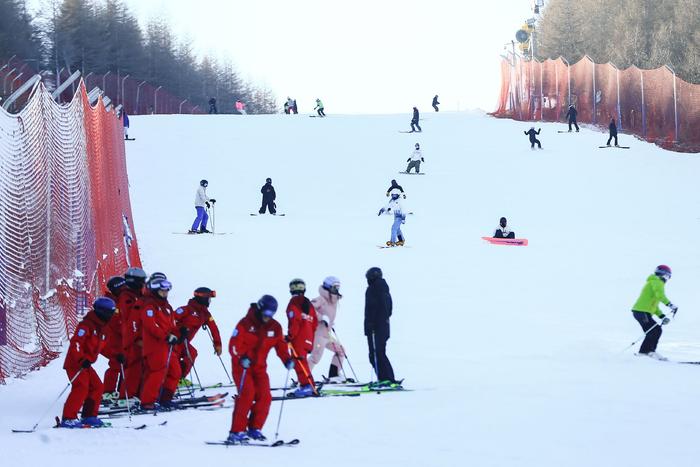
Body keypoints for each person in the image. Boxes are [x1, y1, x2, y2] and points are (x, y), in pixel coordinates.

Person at [227, 295, 294, 443]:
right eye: (266, 313)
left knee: (265, 397)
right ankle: (236, 431)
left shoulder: (275, 327)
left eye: (271, 314)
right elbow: (233, 344)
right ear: (259, 308)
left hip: (259, 368)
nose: (267, 317)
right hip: (242, 366)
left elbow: (281, 346)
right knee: (247, 395)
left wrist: (287, 359)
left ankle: (254, 429)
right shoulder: (245, 323)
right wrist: (241, 357)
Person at [60, 297, 116, 428]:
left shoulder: (102, 328)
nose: (112, 316)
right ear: (102, 312)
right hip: (76, 363)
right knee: (81, 387)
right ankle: (69, 418)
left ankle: (89, 416)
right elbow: (76, 344)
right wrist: (81, 359)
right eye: (110, 313)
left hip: (86, 364)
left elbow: (102, 347)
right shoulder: (86, 326)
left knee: (97, 386)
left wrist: (116, 355)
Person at [139, 278, 181, 410]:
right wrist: (166, 336)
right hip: (155, 346)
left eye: (166, 291)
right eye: (162, 291)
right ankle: (147, 402)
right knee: (157, 372)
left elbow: (172, 325)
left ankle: (165, 399)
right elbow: (151, 325)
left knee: (175, 372)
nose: (165, 293)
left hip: (168, 346)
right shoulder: (149, 306)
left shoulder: (167, 307)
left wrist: (178, 335)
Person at [174, 287, 223, 384]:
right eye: (208, 298)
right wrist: (177, 331)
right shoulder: (185, 310)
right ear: (203, 298)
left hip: (184, 343)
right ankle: (170, 379)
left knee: (192, 353)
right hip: (174, 341)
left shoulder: (205, 314)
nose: (209, 301)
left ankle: (179, 379)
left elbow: (214, 328)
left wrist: (218, 344)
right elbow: (170, 320)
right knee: (178, 357)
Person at [631, 265, 678, 361]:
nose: (667, 279)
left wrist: (662, 316)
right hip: (641, 311)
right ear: (664, 275)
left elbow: (654, 305)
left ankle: (648, 351)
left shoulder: (654, 282)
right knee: (653, 330)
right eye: (667, 276)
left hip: (642, 312)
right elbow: (660, 295)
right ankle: (646, 352)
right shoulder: (657, 282)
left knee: (656, 330)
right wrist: (670, 305)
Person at [364, 267, 397, 387]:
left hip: (376, 327)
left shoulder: (374, 288)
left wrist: (372, 323)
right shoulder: (383, 288)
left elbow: (372, 307)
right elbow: (389, 308)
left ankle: (386, 378)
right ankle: (387, 377)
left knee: (376, 354)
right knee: (378, 353)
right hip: (383, 325)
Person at [118, 267, 147, 401]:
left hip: (138, 334)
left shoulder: (137, 294)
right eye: (141, 281)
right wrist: (136, 338)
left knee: (140, 366)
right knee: (133, 366)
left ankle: (136, 393)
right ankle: (126, 395)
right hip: (131, 336)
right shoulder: (126, 297)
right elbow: (131, 318)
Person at [285, 279, 318, 397]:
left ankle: (307, 386)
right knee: (301, 362)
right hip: (308, 338)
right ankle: (308, 385)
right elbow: (314, 323)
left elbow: (295, 320)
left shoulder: (293, 303)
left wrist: (290, 336)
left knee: (298, 362)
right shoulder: (309, 304)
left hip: (298, 338)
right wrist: (310, 340)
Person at [309, 277, 344, 381]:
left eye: (338, 287)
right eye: (334, 287)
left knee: (340, 351)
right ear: (328, 287)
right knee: (315, 357)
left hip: (327, 335)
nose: (336, 290)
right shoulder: (321, 299)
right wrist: (321, 317)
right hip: (318, 334)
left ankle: (334, 375)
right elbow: (308, 309)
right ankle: (303, 379)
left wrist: (331, 323)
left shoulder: (333, 300)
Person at [101, 276, 128, 397]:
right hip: (109, 340)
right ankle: (108, 391)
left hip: (118, 339)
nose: (125, 290)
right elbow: (117, 324)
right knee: (116, 362)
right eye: (122, 289)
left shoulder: (121, 300)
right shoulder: (109, 303)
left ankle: (122, 389)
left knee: (125, 362)